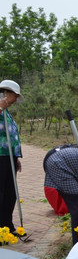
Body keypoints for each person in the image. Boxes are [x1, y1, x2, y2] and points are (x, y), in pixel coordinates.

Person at [0, 80, 23, 235]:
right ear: (6, 93)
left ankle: (7, 225)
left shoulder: (6, 111)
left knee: (10, 192)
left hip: (9, 157)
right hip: (0, 157)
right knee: (1, 192)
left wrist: (15, 156)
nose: (15, 100)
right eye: (15, 96)